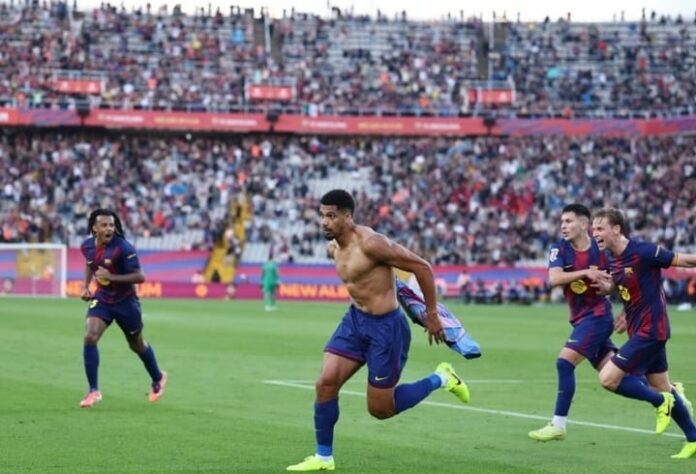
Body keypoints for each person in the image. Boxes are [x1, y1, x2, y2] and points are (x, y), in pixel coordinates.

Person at [287, 190, 469, 472]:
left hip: (386, 329)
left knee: (381, 409)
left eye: (331, 216)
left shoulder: (372, 244)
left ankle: (442, 378)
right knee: (325, 384)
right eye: (322, 215)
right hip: (355, 321)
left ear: (348, 216)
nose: (324, 222)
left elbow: (422, 267)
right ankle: (324, 458)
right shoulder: (333, 247)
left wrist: (432, 315)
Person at [592, 207, 696, 459]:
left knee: (608, 379)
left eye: (600, 228)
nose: (595, 233)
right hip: (639, 329)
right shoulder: (612, 259)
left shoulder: (644, 252)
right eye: (593, 229)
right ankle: (694, 438)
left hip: (652, 329)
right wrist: (611, 290)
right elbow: (627, 285)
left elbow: (684, 260)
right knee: (661, 385)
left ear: (616, 229)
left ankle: (661, 402)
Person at [528, 204, 618, 441]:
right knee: (614, 376)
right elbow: (554, 279)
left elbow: (623, 281)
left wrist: (619, 297)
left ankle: (558, 424)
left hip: (598, 317)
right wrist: (585, 273)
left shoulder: (602, 250)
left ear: (584, 224)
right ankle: (667, 393)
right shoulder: (559, 249)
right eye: (561, 222)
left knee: (564, 363)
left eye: (568, 221)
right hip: (580, 320)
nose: (563, 226)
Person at [79, 209, 167, 408]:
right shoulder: (87, 246)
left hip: (126, 302)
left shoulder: (124, 248)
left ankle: (158, 377)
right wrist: (86, 286)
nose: (109, 228)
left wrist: (111, 277)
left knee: (136, 344)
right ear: (94, 228)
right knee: (90, 336)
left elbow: (140, 277)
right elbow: (90, 263)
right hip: (103, 298)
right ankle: (93, 390)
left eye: (111, 225)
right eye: (104, 225)